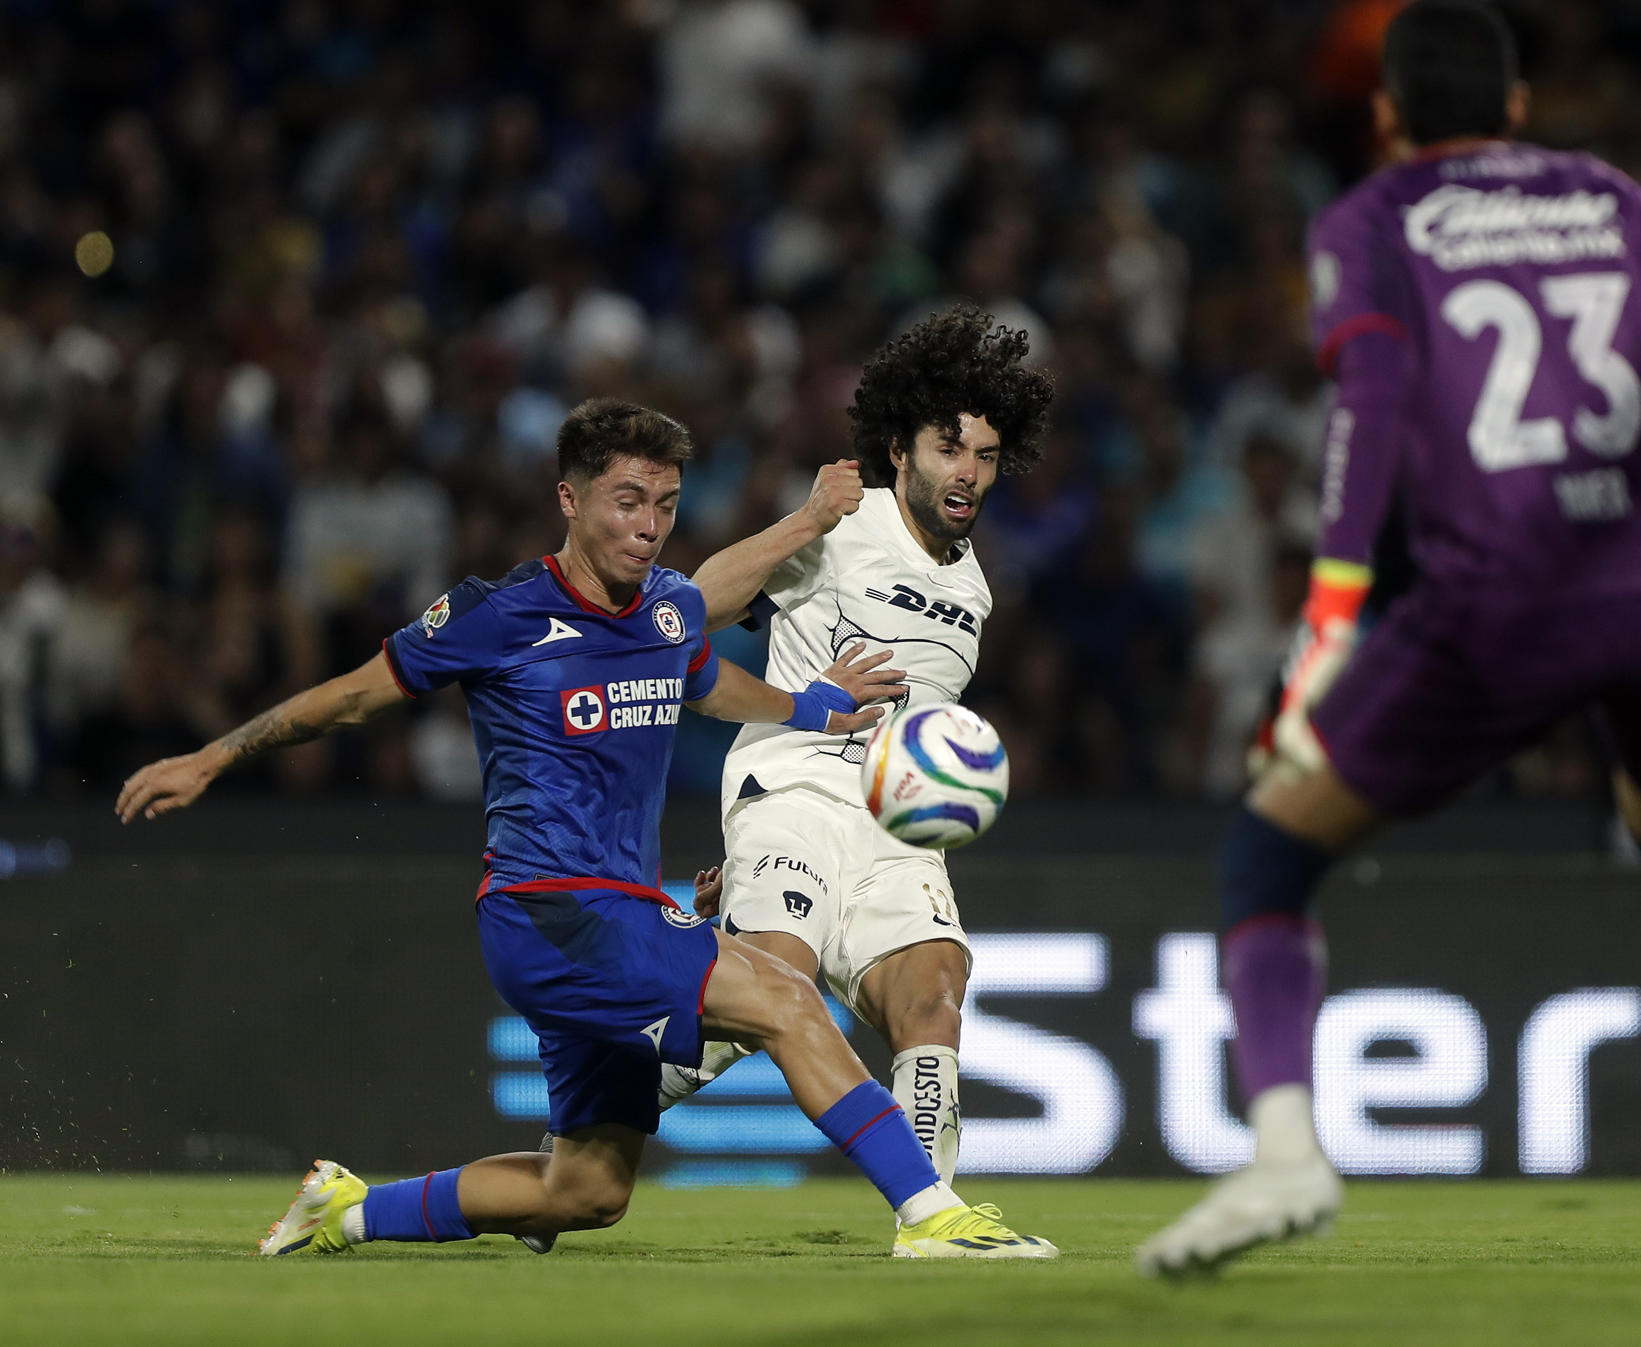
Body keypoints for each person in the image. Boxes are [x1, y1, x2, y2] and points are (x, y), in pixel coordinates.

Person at [1137, 0, 1641, 1280]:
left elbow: (1375, 398)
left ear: (1386, 115)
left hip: (1500, 605)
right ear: (1511, 107)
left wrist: (1331, 615)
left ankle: (1285, 1154)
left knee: (1269, 854)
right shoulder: (1610, 196)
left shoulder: (1372, 220)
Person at [115, 398, 1055, 1261]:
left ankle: (344, 1210)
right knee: (786, 996)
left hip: (610, 914)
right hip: (551, 909)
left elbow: (702, 678)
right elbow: (354, 697)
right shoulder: (500, 613)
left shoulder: (662, 609)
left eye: (667, 506)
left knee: (586, 1189)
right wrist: (215, 757)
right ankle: (932, 1214)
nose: (647, 527)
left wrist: (812, 710)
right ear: (569, 498)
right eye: (626, 501)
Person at [527, 308, 1048, 1248]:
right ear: (900, 451)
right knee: (778, 982)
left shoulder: (975, 588)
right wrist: (806, 517)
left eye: (986, 453)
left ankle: (934, 1219)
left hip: (895, 823)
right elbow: (686, 609)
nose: (968, 469)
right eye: (949, 446)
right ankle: (592, 1119)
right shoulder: (846, 527)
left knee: (933, 995)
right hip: (796, 784)